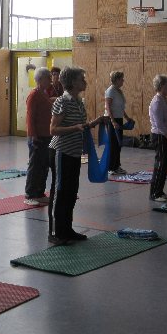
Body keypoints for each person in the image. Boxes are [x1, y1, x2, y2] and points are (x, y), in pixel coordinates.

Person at [48, 66, 105, 244]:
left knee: (72, 191)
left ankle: (67, 229)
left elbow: (81, 126)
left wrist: (95, 122)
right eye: (82, 79)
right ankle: (56, 233)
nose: (85, 82)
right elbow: (53, 129)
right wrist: (75, 128)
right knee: (60, 191)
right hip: (61, 151)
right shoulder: (62, 101)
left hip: (74, 152)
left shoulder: (79, 102)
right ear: (73, 82)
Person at [24, 67, 53, 205]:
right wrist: (33, 135)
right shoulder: (34, 95)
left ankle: (40, 193)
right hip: (37, 137)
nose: (51, 80)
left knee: (44, 166)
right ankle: (30, 194)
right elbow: (30, 117)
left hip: (46, 135)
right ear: (40, 79)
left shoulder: (44, 93)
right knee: (35, 166)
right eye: (48, 78)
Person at [149, 74, 167, 202]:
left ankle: (160, 191)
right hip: (160, 136)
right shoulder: (157, 102)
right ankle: (154, 194)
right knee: (160, 164)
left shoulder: (165, 100)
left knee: (165, 164)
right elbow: (159, 124)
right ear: (161, 86)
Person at [104, 71, 133, 175]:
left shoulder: (118, 91)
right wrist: (113, 121)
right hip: (111, 120)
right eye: (121, 79)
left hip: (119, 119)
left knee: (118, 144)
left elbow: (120, 107)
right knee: (113, 144)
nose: (123, 80)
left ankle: (116, 166)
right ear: (116, 80)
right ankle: (111, 168)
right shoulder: (110, 91)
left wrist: (127, 118)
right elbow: (108, 107)